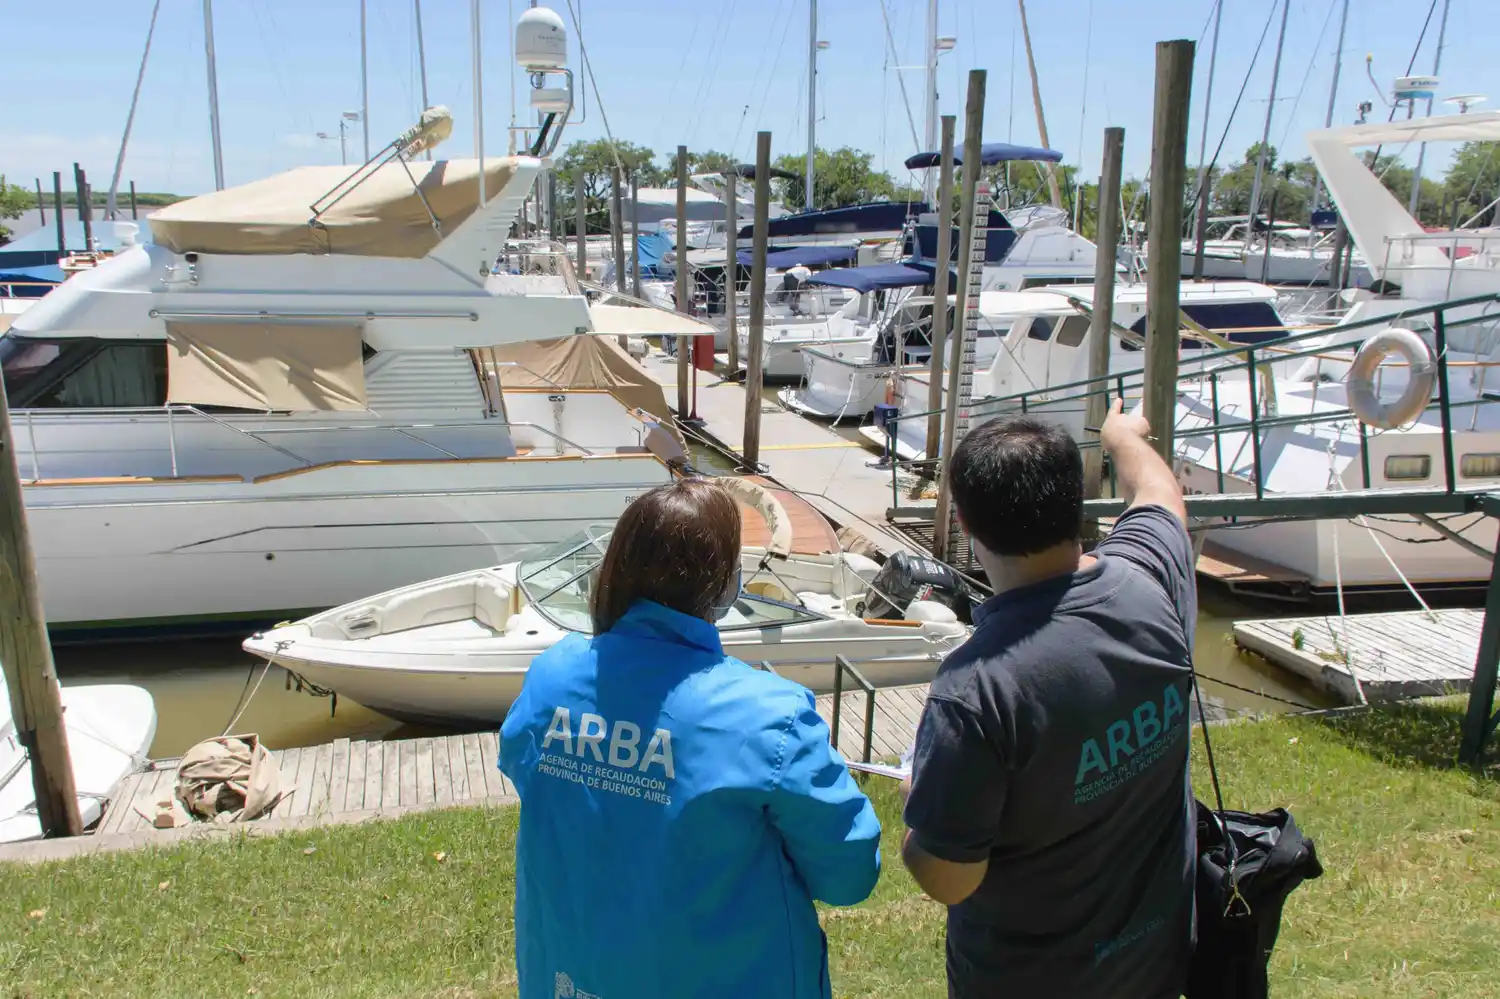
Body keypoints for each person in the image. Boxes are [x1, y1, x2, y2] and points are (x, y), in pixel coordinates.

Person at [499, 478, 882, 999]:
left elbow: (531, 773)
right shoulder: (772, 715)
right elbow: (850, 873)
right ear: (727, 585)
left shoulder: (551, 678)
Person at [901, 401, 1196, 999]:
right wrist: (1122, 438)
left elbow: (948, 877)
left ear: (963, 521)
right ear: (1075, 503)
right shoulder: (1151, 580)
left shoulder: (975, 690)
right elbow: (1161, 495)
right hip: (1157, 958)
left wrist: (917, 797)